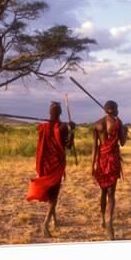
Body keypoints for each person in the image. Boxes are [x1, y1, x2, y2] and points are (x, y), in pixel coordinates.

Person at [27, 101, 75, 237]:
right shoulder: (63, 127)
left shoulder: (43, 127)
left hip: (44, 165)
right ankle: (46, 223)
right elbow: (69, 146)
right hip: (56, 166)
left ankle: (55, 220)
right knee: (54, 196)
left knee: (52, 194)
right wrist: (73, 131)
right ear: (60, 113)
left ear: (49, 113)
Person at [91, 100, 128, 240]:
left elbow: (95, 147)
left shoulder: (97, 123)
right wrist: (124, 130)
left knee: (103, 191)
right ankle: (109, 224)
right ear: (111, 109)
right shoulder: (118, 123)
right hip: (112, 160)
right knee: (111, 194)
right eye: (117, 108)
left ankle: (102, 219)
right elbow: (122, 143)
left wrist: (92, 165)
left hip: (101, 161)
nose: (118, 111)